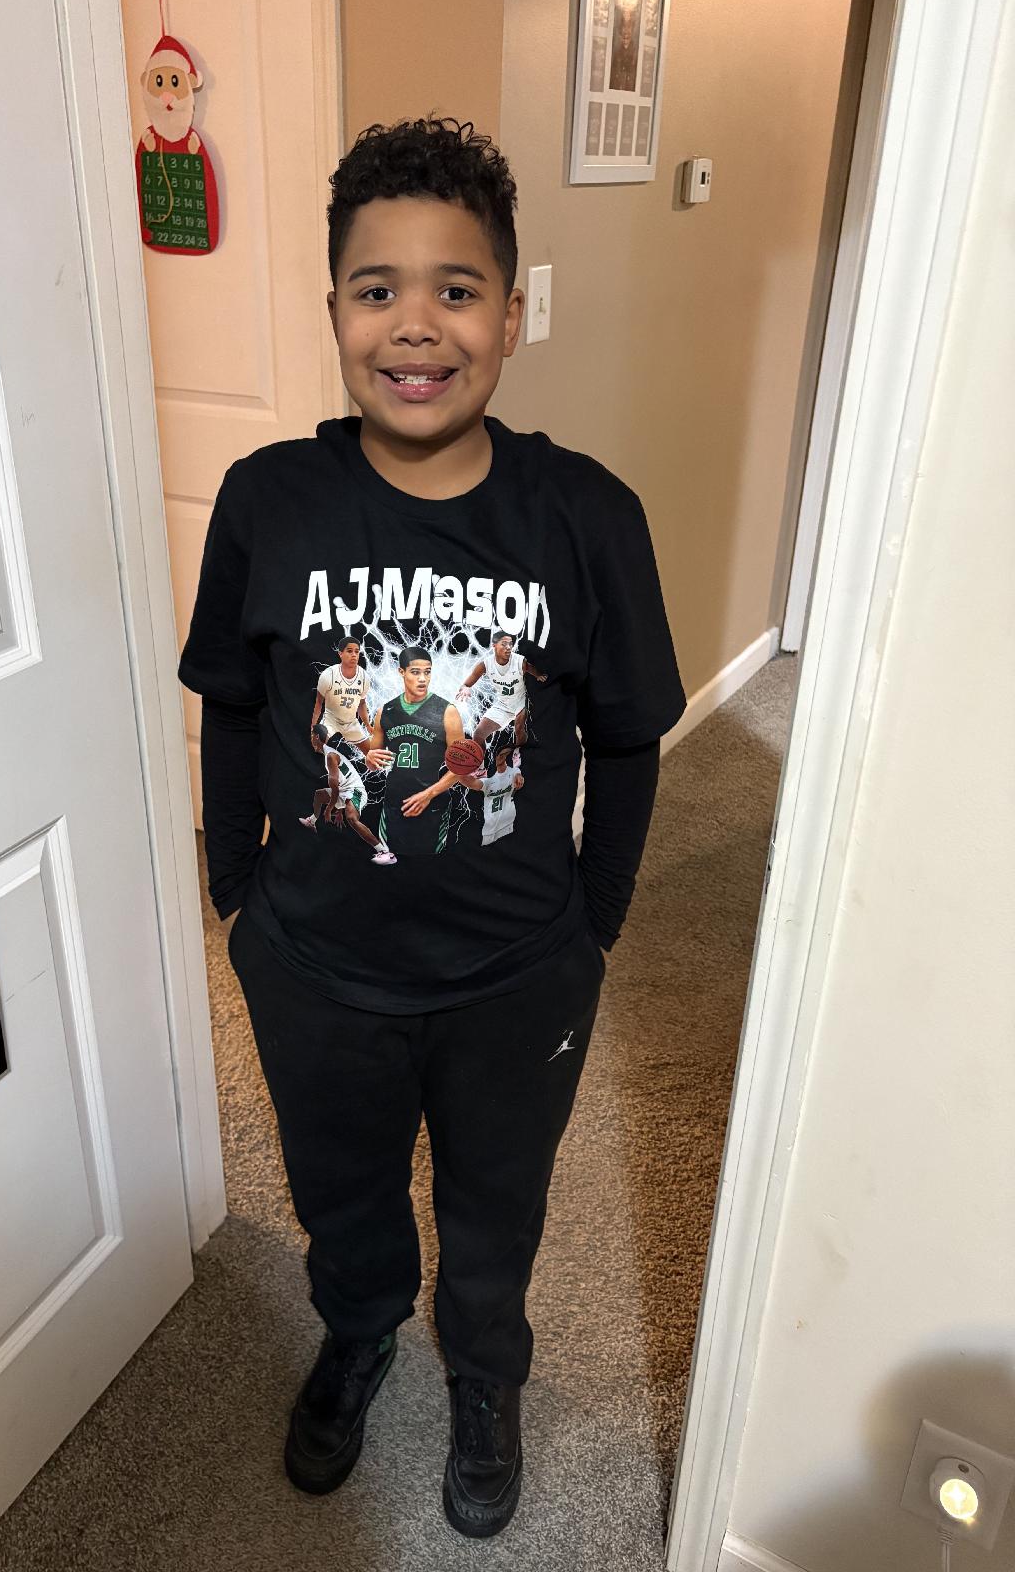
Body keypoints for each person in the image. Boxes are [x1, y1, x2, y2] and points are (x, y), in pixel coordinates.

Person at [180, 117, 685, 1537]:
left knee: (495, 1207)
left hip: (516, 974)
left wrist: (592, 927)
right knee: (340, 1188)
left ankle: (485, 1374)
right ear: (334, 308)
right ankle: (358, 1333)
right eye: (377, 288)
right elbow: (231, 703)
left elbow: (631, 738)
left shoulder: (585, 516)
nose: (416, 325)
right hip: (314, 966)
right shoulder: (269, 501)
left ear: (510, 315)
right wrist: (236, 891)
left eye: (456, 290)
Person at [365, 644, 466, 857]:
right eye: (415, 672)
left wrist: (428, 794)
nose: (422, 679)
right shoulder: (385, 710)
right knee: (389, 863)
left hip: (433, 804)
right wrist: (370, 758)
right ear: (401, 672)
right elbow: (373, 764)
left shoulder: (447, 712)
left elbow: (461, 767)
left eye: (427, 672)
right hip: (394, 803)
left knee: (430, 864)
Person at [300, 720, 395, 865]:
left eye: (312, 735)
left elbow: (336, 788)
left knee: (351, 818)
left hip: (356, 791)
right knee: (319, 795)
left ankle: (385, 852)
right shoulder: (328, 754)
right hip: (345, 791)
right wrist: (339, 808)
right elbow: (340, 785)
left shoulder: (330, 756)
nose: (310, 738)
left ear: (317, 737)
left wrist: (330, 809)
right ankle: (312, 821)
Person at [456, 629, 545, 759]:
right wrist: (465, 688)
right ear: (494, 646)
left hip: (521, 700)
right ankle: (480, 766)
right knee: (478, 734)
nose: (508, 647)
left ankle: (520, 758)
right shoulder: (485, 665)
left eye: (510, 644)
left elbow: (533, 669)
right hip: (503, 704)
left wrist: (539, 675)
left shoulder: (519, 661)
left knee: (519, 728)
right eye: (504, 644)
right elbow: (466, 684)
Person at [310, 633, 371, 756]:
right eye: (349, 651)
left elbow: (362, 703)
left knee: (371, 753)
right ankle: (331, 764)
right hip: (331, 720)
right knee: (319, 746)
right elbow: (319, 703)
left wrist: (368, 725)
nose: (354, 655)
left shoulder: (364, 676)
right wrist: (313, 728)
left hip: (350, 722)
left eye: (357, 651)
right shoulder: (329, 675)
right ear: (340, 653)